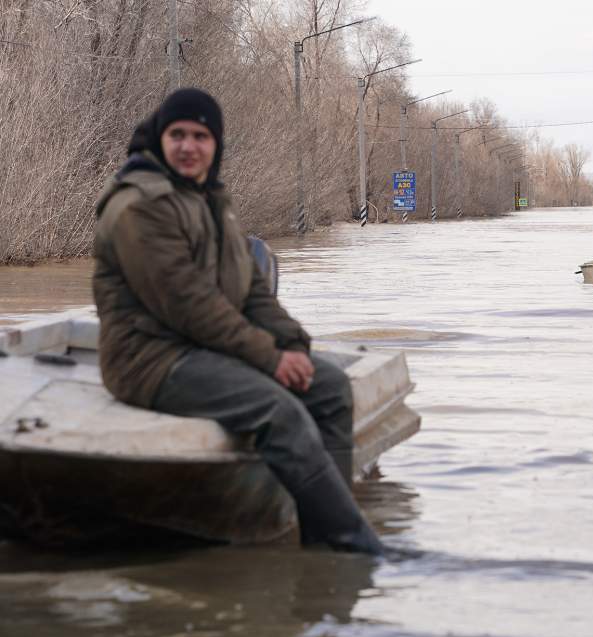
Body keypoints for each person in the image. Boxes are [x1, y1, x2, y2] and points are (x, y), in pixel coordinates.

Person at [92, 88, 383, 555]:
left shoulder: (209, 199)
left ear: (217, 144)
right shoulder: (139, 206)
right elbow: (188, 305)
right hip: (148, 360)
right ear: (161, 140)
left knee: (328, 388)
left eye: (200, 136)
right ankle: (353, 545)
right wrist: (268, 360)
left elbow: (249, 291)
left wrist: (293, 345)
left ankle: (325, 531)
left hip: (200, 349)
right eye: (178, 134)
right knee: (280, 412)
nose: (189, 146)